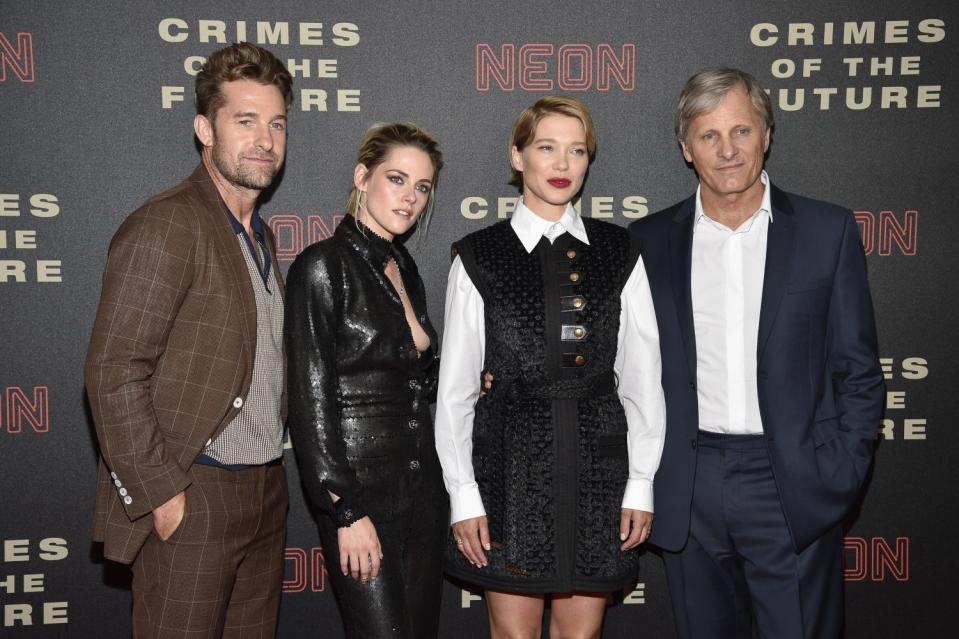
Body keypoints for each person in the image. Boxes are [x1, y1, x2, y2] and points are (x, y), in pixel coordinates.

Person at [629, 67, 884, 638]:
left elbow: (859, 371)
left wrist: (838, 474)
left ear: (767, 135)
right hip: (689, 484)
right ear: (684, 148)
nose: (727, 151)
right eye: (708, 135)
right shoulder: (646, 243)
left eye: (741, 131)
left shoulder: (827, 230)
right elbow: (629, 369)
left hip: (792, 481)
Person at [435, 96, 665, 638]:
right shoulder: (478, 255)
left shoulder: (621, 251)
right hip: (507, 474)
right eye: (547, 148)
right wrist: (463, 493)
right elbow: (456, 392)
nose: (562, 165)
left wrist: (641, 482)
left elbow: (641, 379)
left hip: (598, 473)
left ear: (589, 162)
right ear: (518, 158)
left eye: (576, 150)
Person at [85, 43, 292, 637]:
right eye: (245, 121)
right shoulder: (168, 223)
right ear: (205, 128)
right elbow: (113, 370)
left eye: (276, 123)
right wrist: (164, 498)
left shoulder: (260, 237)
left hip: (264, 493)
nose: (265, 139)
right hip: (194, 493)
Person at [285, 123, 447, 639]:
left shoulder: (405, 266)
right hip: (362, 495)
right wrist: (345, 510)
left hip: (422, 492)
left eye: (422, 187)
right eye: (396, 179)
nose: (410, 197)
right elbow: (311, 402)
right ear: (362, 176)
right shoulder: (321, 267)